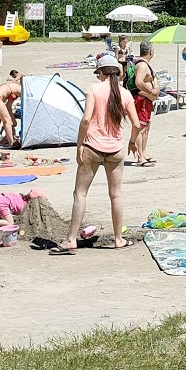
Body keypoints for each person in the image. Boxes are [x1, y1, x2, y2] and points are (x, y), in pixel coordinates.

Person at [54, 53, 140, 254]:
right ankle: (119, 239)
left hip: (93, 146)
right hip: (116, 149)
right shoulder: (125, 93)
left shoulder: (94, 89)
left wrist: (79, 146)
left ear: (101, 73)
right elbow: (137, 124)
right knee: (116, 194)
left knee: (80, 194)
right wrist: (133, 142)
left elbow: (85, 120)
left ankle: (71, 239)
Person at [127, 41, 159, 167]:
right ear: (151, 52)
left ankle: (143, 153)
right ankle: (140, 157)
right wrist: (151, 91)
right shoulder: (142, 65)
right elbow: (138, 82)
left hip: (146, 99)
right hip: (142, 99)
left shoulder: (144, 64)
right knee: (141, 127)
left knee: (146, 127)